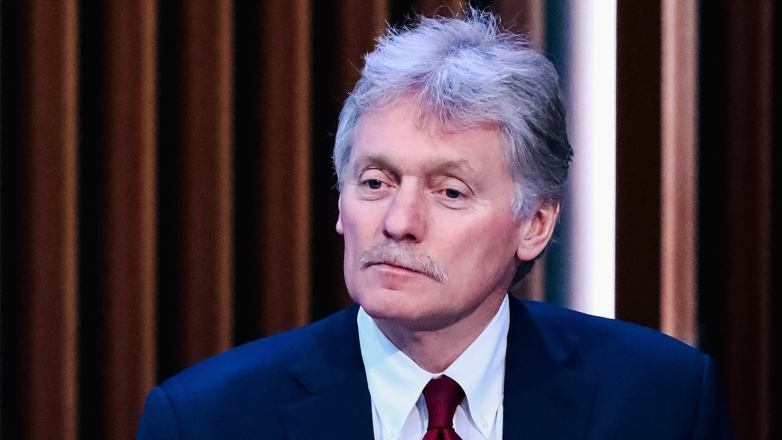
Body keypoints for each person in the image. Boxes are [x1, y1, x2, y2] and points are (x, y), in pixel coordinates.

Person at [137, 8, 732, 440]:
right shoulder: (206, 420)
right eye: (376, 182)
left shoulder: (662, 402)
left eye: (450, 191)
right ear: (341, 205)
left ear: (535, 224)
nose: (398, 222)